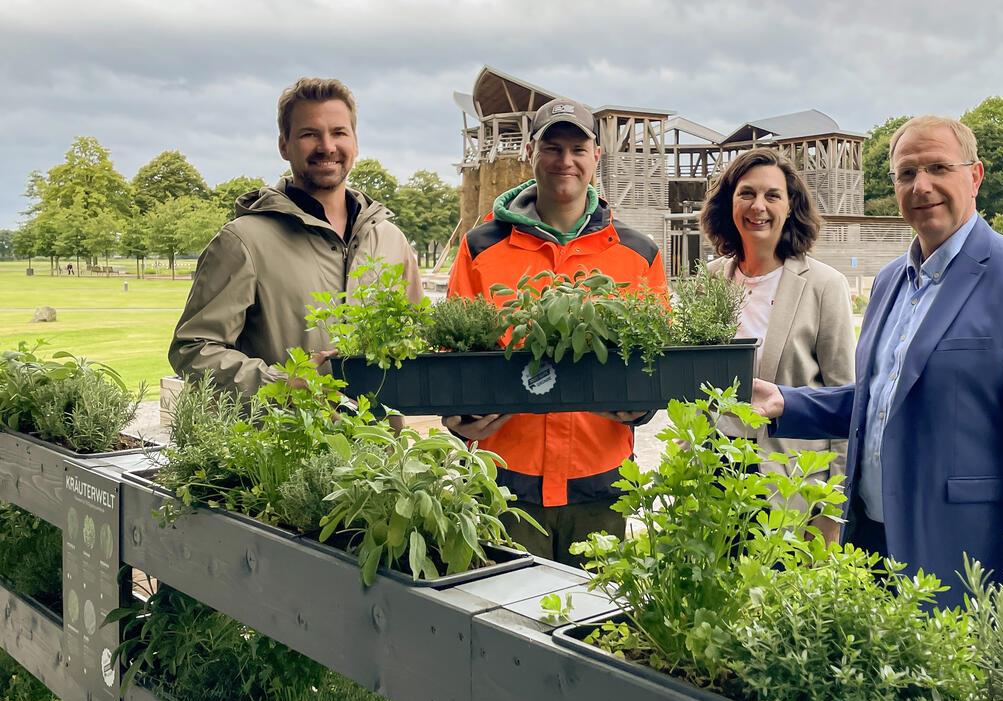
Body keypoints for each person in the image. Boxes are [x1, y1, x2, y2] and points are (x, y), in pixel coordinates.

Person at [752, 115, 1003, 608]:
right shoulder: (891, 282)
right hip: (871, 547)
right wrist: (787, 401)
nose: (921, 185)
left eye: (937, 168)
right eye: (907, 174)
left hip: (963, 558)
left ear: (975, 176)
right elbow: (883, 401)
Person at [444, 96, 666, 560]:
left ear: (596, 158)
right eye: (552, 147)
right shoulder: (482, 247)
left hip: (600, 486)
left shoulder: (637, 252)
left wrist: (640, 408)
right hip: (505, 487)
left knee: (592, 626)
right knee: (503, 624)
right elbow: (455, 356)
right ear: (530, 152)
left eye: (577, 149)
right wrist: (460, 419)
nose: (565, 160)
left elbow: (653, 361)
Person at [170, 77, 421, 395]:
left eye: (339, 132)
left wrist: (459, 413)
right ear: (284, 145)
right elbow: (193, 349)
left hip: (379, 443)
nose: (327, 146)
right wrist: (282, 385)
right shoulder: (242, 242)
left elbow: (417, 346)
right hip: (285, 442)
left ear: (355, 143)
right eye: (309, 134)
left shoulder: (391, 240)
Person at [699, 147, 855, 541]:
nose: (758, 206)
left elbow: (846, 402)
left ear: (790, 206)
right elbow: (692, 389)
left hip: (791, 491)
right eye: (746, 193)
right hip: (715, 480)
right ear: (729, 203)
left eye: (772, 195)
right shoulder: (710, 280)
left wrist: (833, 509)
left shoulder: (824, 285)